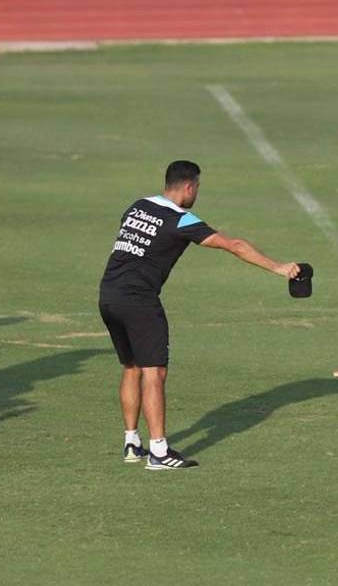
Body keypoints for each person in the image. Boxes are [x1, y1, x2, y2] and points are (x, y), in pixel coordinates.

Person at [99, 160, 301, 470]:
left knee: (132, 366)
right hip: (139, 300)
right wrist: (277, 267)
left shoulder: (138, 205)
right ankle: (158, 452)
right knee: (155, 372)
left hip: (108, 295)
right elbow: (233, 245)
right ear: (190, 186)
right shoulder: (181, 220)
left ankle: (131, 442)